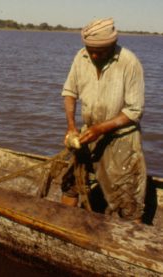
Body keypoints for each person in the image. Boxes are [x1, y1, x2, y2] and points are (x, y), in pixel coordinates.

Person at [61, 18, 147, 221]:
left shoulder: (129, 62)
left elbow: (135, 110)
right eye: (90, 50)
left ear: (112, 45)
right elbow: (69, 92)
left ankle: (130, 243)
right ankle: (64, 224)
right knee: (71, 183)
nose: (94, 55)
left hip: (121, 137)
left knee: (127, 198)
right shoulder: (81, 57)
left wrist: (101, 129)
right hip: (88, 132)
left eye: (99, 51)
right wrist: (72, 127)